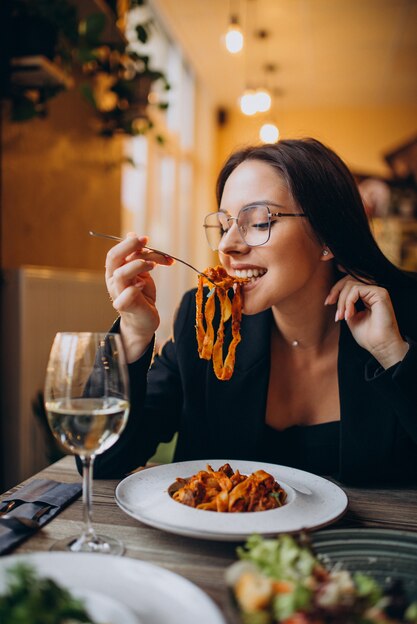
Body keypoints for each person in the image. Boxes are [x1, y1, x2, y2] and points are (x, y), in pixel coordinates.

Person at [94, 138, 417, 485]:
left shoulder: (402, 313)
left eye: (260, 222)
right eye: (224, 224)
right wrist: (133, 333)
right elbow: (100, 459)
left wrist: (392, 354)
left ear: (327, 236)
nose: (227, 245)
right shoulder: (207, 321)